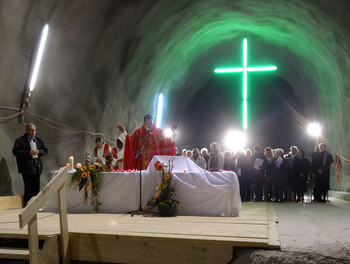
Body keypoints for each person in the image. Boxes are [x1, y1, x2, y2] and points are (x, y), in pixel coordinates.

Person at [12, 123, 48, 205]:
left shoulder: (38, 140)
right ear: (27, 130)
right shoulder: (20, 140)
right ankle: (28, 204)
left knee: (36, 186)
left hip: (37, 166)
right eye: (31, 130)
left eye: (34, 130)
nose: (33, 132)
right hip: (26, 167)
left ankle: (36, 204)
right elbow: (15, 151)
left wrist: (39, 151)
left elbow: (45, 151)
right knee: (28, 186)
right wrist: (28, 152)